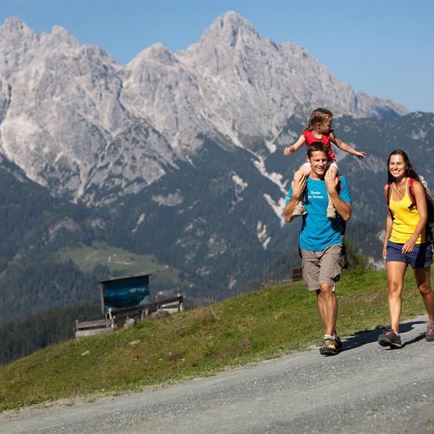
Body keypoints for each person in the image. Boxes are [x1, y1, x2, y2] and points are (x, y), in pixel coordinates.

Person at [284, 142, 352, 356]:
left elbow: (347, 214)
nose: (321, 164)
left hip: (332, 242)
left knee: (326, 287)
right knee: (318, 292)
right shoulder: (302, 183)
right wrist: (295, 195)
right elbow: (287, 216)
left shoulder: (339, 181)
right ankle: (332, 333)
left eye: (324, 160)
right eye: (317, 161)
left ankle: (328, 337)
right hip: (307, 245)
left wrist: (332, 191)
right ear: (309, 161)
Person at [378, 149, 434, 348]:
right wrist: (386, 243)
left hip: (419, 244)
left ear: (406, 165)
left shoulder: (415, 185)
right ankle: (394, 332)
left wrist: (413, 239)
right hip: (396, 243)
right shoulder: (388, 188)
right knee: (394, 288)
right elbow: (390, 217)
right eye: (392, 164)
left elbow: (424, 216)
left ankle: (432, 321)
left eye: (399, 163)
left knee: (424, 288)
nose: (395, 167)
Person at [284, 107, 365, 218]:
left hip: (329, 161)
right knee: (298, 175)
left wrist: (354, 152)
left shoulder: (329, 135)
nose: (330, 127)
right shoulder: (306, 134)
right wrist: (290, 149)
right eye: (328, 125)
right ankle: (299, 204)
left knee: (331, 177)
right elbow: (296, 145)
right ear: (318, 125)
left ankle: (331, 207)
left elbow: (341, 144)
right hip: (312, 162)